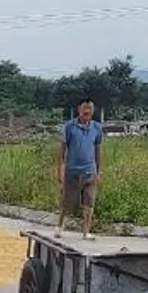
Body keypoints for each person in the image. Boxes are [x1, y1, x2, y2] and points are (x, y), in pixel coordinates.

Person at [57, 97, 104, 238]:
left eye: (90, 108)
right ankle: (60, 226)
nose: (87, 111)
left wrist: (98, 170)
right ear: (79, 110)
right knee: (67, 202)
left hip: (90, 171)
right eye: (85, 108)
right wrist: (60, 172)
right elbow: (62, 152)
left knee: (89, 203)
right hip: (72, 171)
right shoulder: (69, 127)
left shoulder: (97, 128)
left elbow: (97, 150)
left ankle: (86, 232)